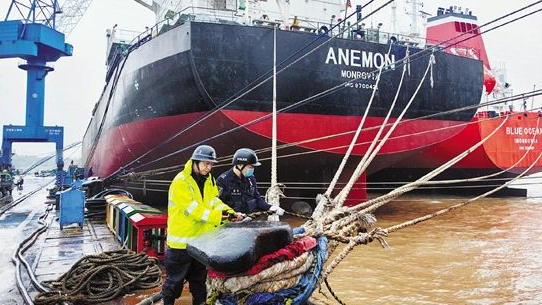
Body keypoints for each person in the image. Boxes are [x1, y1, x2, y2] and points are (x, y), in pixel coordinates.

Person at [162, 145, 241, 305]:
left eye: (211, 164)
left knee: (199, 283)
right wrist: (219, 217)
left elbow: (213, 202)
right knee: (174, 284)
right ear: (195, 162)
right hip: (180, 245)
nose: (209, 167)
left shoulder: (209, 179)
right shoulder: (181, 182)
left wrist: (230, 212)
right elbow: (194, 210)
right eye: (206, 163)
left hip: (199, 244)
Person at [217, 148, 285, 216]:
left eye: (253, 167)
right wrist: (232, 214)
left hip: (250, 220)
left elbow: (257, 198)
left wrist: (270, 207)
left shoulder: (250, 178)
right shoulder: (223, 181)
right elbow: (217, 205)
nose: (252, 169)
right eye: (250, 167)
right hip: (231, 223)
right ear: (240, 165)